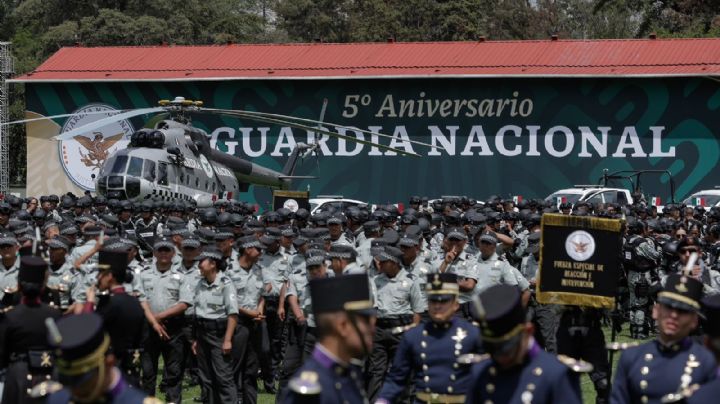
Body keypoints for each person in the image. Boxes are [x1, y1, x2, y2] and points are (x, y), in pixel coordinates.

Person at [466, 285, 586, 403]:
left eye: (505, 349)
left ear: (528, 331)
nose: (499, 356)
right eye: (491, 348)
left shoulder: (555, 374)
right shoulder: (480, 372)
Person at [611, 273, 717, 403]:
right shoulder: (632, 357)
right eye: (668, 307)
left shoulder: (706, 362)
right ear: (656, 311)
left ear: (694, 320)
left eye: (682, 311)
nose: (673, 315)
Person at [376, 273, 482, 403]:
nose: (438, 305)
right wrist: (383, 401)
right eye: (433, 300)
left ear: (455, 304)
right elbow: (397, 379)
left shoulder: (472, 334)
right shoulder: (414, 336)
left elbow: (485, 377)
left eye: (444, 300)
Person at [280, 273, 376, 403]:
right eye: (365, 321)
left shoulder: (350, 373)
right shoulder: (311, 390)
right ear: (342, 326)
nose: (373, 328)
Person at [45, 313, 160, 403]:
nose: (75, 389)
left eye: (82, 381)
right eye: (69, 380)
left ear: (108, 362)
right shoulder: (57, 399)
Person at [0, 256, 62, 403]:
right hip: (50, 374)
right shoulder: (54, 314)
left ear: (19, 285)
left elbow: (2, 354)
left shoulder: (10, 316)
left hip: (19, 375)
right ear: (43, 286)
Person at [367, 245, 424, 402]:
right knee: (376, 371)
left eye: (384, 262)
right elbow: (372, 308)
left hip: (402, 329)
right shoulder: (376, 280)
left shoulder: (411, 281)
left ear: (394, 263)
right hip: (379, 328)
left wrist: (413, 336)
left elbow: (417, 311)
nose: (380, 264)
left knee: (402, 370)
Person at [186, 246, 239, 404]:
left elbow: (233, 314)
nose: (199, 265)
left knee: (223, 378)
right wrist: (195, 339)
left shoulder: (225, 283)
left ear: (213, 264)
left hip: (219, 335)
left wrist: (228, 339)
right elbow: (197, 312)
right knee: (206, 378)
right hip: (202, 335)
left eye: (202, 261)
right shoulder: (199, 283)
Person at [87, 248, 146, 386]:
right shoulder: (134, 302)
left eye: (101, 273)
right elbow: (143, 335)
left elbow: (89, 328)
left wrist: (89, 302)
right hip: (131, 364)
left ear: (110, 276)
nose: (98, 278)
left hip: (110, 366)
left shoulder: (109, 303)